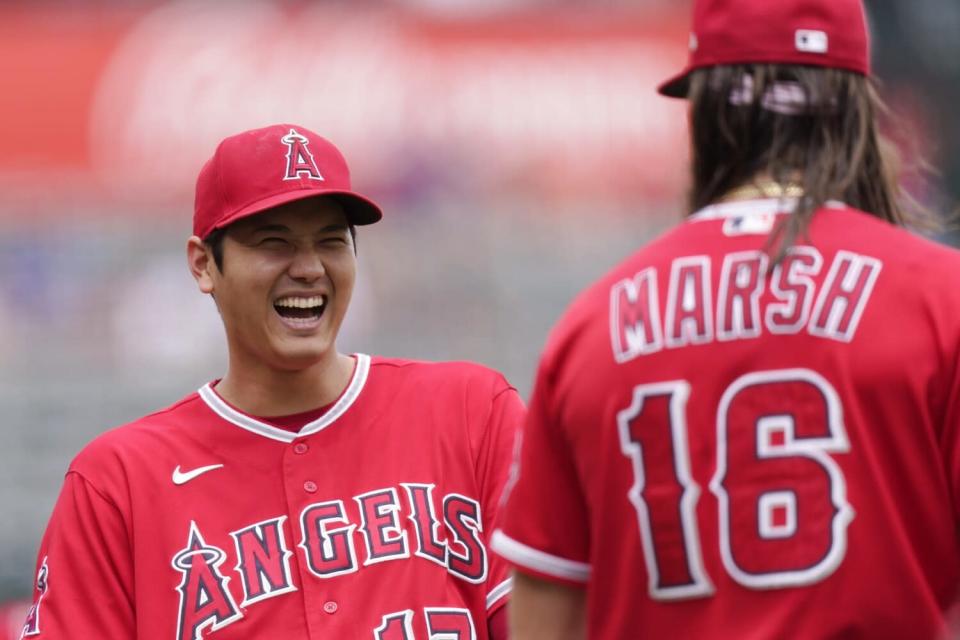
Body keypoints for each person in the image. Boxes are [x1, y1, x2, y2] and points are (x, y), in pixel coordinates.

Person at [491, 0, 960, 637]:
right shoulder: (940, 298)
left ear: (708, 113)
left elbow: (546, 618)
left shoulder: (591, 328)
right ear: (855, 107)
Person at [22, 124, 521, 639]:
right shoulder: (119, 481)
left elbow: (550, 618)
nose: (308, 268)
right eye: (274, 243)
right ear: (203, 264)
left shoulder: (471, 414)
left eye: (330, 242)